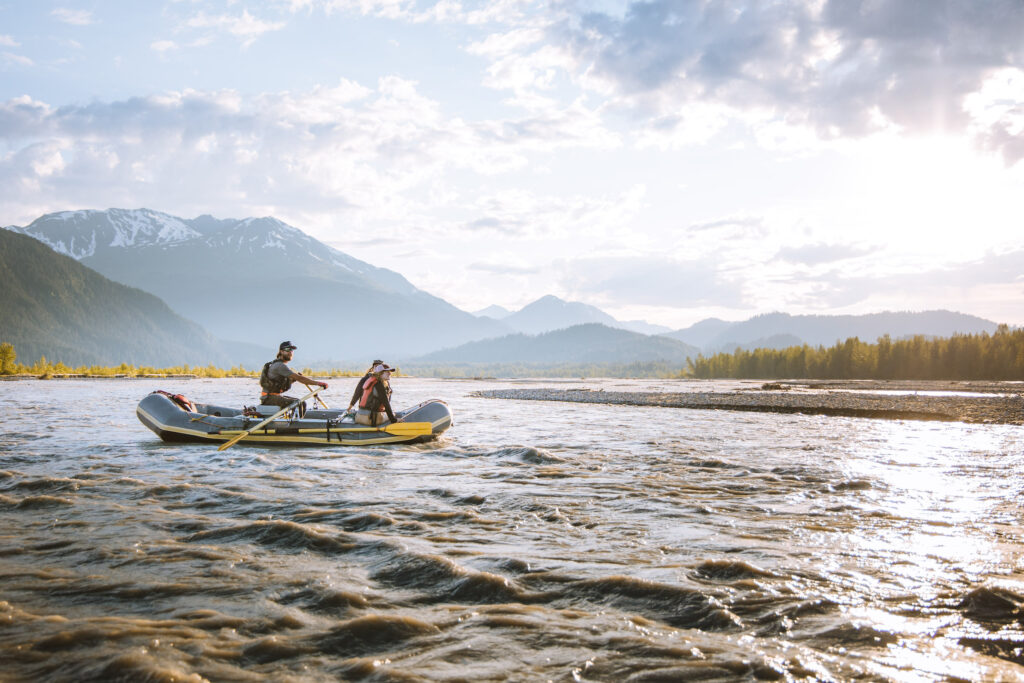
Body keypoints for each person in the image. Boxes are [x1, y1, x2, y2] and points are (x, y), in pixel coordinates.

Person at [259, 341, 328, 418]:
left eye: (292, 350)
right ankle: (294, 426)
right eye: (288, 350)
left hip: (270, 397)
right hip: (269, 398)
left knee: (298, 402)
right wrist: (318, 383)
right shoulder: (279, 366)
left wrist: (293, 380)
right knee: (300, 403)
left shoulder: (279, 365)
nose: (290, 352)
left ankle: (290, 420)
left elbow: (281, 384)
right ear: (281, 351)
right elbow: (300, 378)